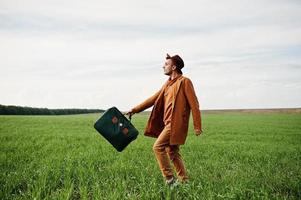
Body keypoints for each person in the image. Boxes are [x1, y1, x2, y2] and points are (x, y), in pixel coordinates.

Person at [126, 53, 202, 186]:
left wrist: (197, 126)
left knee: (158, 147)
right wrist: (135, 109)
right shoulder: (167, 84)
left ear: (174, 67)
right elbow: (153, 99)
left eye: (166, 64)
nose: (163, 66)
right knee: (172, 152)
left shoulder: (184, 82)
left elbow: (194, 104)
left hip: (175, 124)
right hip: (166, 124)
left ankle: (170, 180)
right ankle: (184, 181)